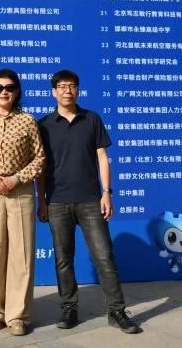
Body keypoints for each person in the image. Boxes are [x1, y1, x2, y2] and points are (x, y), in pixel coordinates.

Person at [36, 70, 142, 334]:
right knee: (63, 258)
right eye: (62, 86)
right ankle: (69, 307)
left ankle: (117, 311)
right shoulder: (44, 125)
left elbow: (102, 157)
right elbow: (41, 167)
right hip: (57, 201)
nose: (67, 90)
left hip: (91, 200)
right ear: (53, 92)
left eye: (72, 85)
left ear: (78, 90)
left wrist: (107, 192)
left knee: (104, 256)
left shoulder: (92, 119)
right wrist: (42, 201)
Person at [0, 68, 45, 336]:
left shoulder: (27, 121)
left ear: (17, 91)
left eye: (10, 87)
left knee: (21, 253)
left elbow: (40, 158)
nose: (4, 92)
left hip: (20, 190)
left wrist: (17, 178)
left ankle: (18, 315)